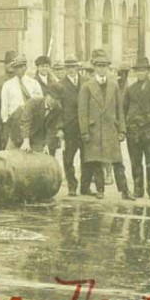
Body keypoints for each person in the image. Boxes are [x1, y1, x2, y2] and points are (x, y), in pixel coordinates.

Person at [78, 50, 132, 200]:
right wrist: (84, 132)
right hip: (94, 130)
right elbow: (82, 112)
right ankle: (100, 189)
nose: (102, 69)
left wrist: (122, 130)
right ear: (94, 67)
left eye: (104, 66)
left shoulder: (114, 86)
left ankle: (125, 191)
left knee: (117, 162)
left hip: (110, 130)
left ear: (108, 68)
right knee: (96, 161)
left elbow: (119, 110)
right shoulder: (87, 87)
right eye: (99, 66)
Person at [123, 56, 150, 199]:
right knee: (135, 161)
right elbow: (124, 109)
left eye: (143, 70)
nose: (141, 73)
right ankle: (138, 189)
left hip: (149, 131)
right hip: (133, 131)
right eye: (138, 71)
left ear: (148, 72)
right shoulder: (130, 90)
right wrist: (127, 125)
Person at [0, 54, 43, 135]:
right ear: (14, 69)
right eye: (16, 67)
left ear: (26, 67)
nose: (19, 70)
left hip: (32, 121)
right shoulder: (7, 85)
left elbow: (40, 103)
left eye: (21, 67)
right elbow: (4, 106)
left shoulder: (34, 83)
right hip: (15, 122)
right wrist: (6, 123)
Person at [59, 56, 84, 196]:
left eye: (73, 67)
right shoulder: (61, 85)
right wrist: (60, 127)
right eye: (68, 67)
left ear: (77, 67)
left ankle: (85, 186)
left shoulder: (86, 82)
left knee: (86, 157)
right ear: (65, 69)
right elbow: (58, 109)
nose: (71, 70)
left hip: (85, 126)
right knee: (68, 158)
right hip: (69, 127)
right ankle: (72, 185)